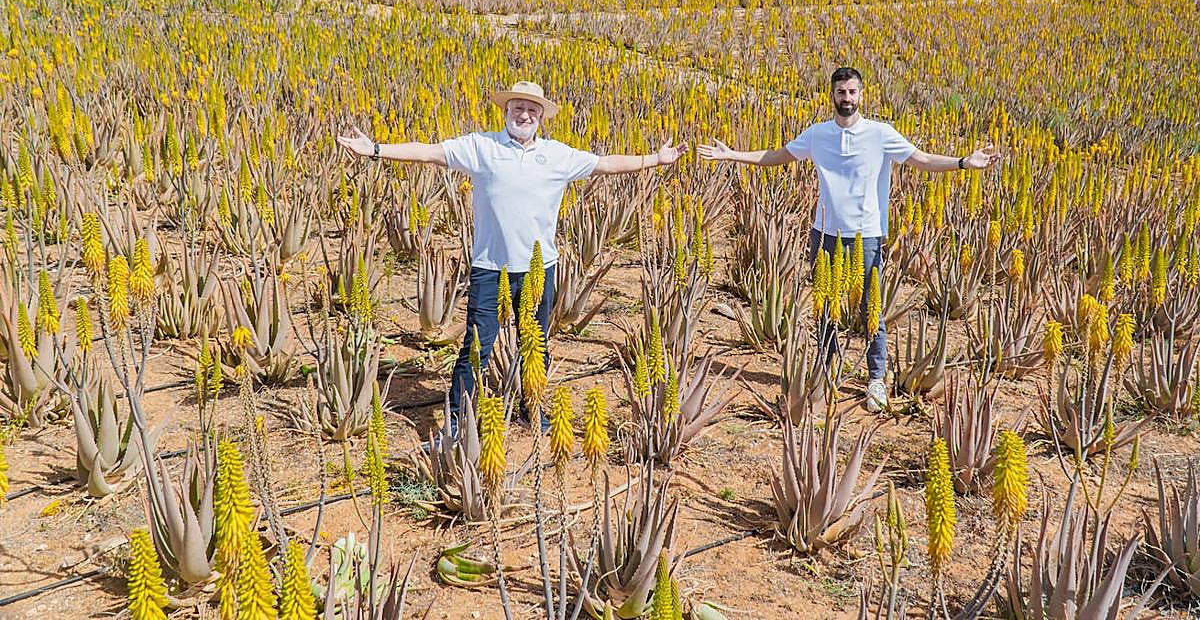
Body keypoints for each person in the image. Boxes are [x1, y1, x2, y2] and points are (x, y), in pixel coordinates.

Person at [337, 80, 685, 432]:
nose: (525, 115)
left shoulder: (558, 155)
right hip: (491, 269)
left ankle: (531, 408)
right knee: (477, 345)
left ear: (541, 118)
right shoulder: (482, 146)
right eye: (518, 108)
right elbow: (430, 152)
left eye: (532, 110)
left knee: (536, 346)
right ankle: (459, 419)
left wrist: (656, 159)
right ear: (506, 112)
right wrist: (376, 150)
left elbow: (606, 164)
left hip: (539, 268)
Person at [699, 66, 999, 411]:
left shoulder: (880, 133)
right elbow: (777, 156)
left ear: (861, 94)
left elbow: (923, 159)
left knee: (871, 308)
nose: (847, 98)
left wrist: (964, 162)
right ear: (832, 95)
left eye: (852, 92)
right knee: (826, 306)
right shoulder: (817, 134)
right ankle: (827, 372)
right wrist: (732, 154)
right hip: (825, 234)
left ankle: (875, 379)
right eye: (841, 92)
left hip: (867, 236)